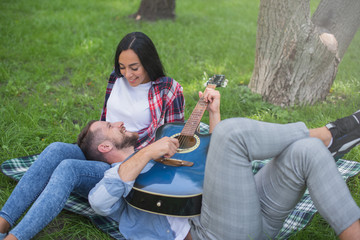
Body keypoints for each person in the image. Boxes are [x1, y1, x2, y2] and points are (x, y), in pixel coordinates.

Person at [80, 88, 360, 240]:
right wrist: (147, 152)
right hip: (212, 233)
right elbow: (99, 202)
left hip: (248, 212)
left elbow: (215, 161)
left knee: (306, 150)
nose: (116, 121)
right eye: (108, 125)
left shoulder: (160, 147)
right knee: (230, 134)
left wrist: (214, 113)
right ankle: (330, 134)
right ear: (104, 147)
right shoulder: (118, 183)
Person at [0, 32, 185, 240]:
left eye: (134, 67)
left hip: (124, 164)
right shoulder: (116, 79)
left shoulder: (168, 89)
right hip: (103, 146)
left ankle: (14, 238)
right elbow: (105, 117)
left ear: (148, 62)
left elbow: (173, 136)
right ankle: (2, 222)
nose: (128, 74)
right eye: (122, 67)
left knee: (68, 168)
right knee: (55, 149)